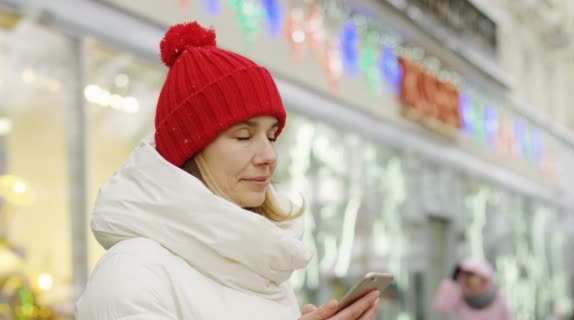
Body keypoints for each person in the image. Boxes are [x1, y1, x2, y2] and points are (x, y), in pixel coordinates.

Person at [75, 22, 380, 319]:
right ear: (192, 151)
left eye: (272, 135)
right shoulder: (134, 270)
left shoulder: (263, 270)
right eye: (244, 136)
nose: (269, 155)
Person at [433, 257, 512, 320]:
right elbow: (443, 306)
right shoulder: (461, 298)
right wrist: (452, 280)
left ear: (485, 279)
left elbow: (508, 317)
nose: (474, 282)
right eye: (469, 276)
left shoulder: (498, 297)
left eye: (478, 277)